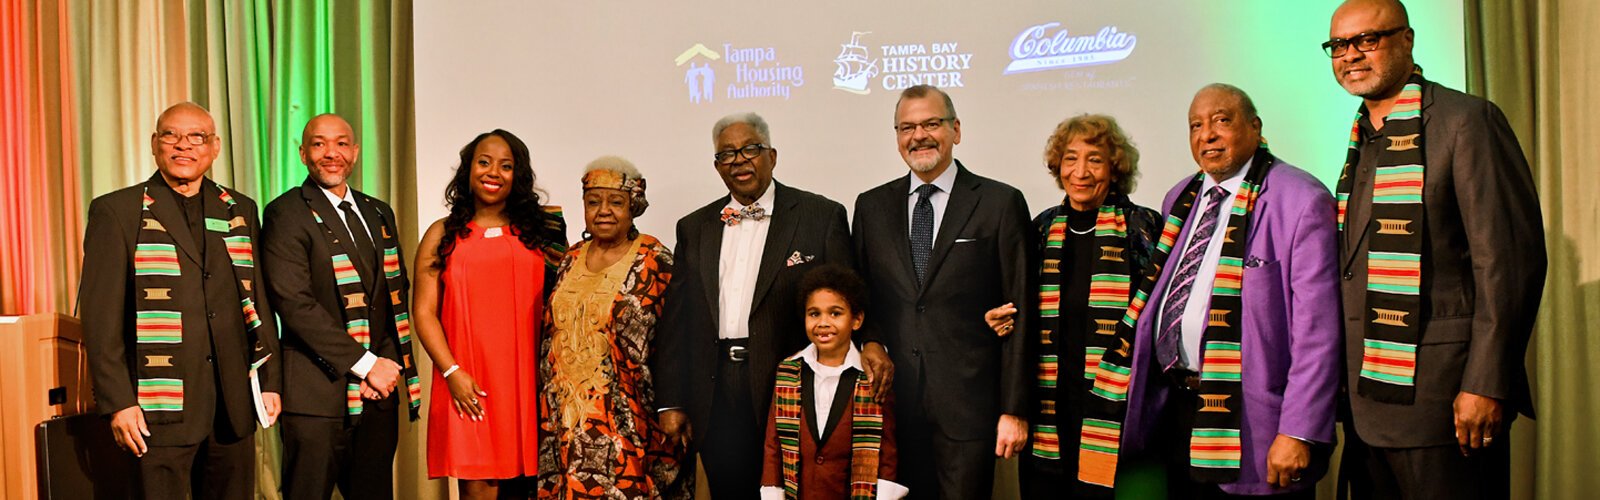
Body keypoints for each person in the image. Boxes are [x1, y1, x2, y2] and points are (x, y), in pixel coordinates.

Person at [1324, 1, 1546, 498]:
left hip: (1447, 404)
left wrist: (1487, 383)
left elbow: (1509, 265)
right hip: (1366, 405)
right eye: (1339, 45)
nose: (1350, 55)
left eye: (1367, 40)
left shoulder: (1466, 122)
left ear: (1407, 39)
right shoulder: (1363, 137)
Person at [1103, 84, 1342, 498]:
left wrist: (1299, 432)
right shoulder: (1180, 197)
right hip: (1179, 411)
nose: (1206, 134)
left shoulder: (1302, 199)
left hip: (1256, 423)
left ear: (1255, 127)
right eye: (1196, 125)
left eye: (1221, 120)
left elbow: (1318, 334)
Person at [654, 112, 892, 499]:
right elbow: (677, 321)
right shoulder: (694, 227)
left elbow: (852, 293)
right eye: (727, 154)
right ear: (717, 167)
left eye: (750, 149)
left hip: (792, 386)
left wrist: (874, 342)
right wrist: (671, 399)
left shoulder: (820, 215)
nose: (739, 160)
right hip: (715, 391)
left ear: (773, 156)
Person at [78, 101, 281, 498]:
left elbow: (256, 300)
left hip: (231, 405)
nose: (183, 146)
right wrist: (119, 402)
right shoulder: (117, 210)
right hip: (157, 407)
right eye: (171, 135)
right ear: (155, 144)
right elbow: (100, 319)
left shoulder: (240, 208)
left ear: (214, 147)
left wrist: (270, 380)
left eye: (196, 137)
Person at [851, 85, 1033, 499]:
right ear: (897, 137)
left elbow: (1023, 310)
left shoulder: (999, 203)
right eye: (907, 127)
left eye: (931, 123)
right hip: (892, 406)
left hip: (969, 408)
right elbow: (862, 300)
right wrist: (873, 340)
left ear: (956, 130)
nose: (919, 136)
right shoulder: (870, 208)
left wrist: (1014, 409)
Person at [980, 114, 1162, 497]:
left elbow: (1160, 319)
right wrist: (999, 317)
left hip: (1118, 413)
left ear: (1114, 170)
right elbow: (1018, 303)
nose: (1081, 171)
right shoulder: (1042, 228)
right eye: (1070, 158)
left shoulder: (1142, 227)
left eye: (1094, 160)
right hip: (1050, 412)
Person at [262, 113, 421, 499]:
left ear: (355, 151)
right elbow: (295, 305)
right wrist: (365, 365)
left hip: (377, 395)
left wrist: (383, 364)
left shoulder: (379, 211)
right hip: (316, 397)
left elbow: (393, 296)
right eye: (319, 144)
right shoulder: (285, 213)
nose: (331, 153)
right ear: (302, 153)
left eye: (341, 143)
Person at [413, 129, 566, 499]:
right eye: (484, 162)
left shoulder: (544, 230)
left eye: (506, 165)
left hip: (531, 385)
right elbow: (423, 311)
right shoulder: (442, 233)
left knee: (532, 489)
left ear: (519, 175)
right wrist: (451, 372)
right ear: (468, 169)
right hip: (468, 384)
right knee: (479, 490)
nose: (493, 172)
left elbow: (561, 303)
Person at [537, 156, 689, 498]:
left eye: (616, 202)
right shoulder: (570, 258)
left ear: (633, 206)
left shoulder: (655, 258)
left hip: (630, 418)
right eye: (594, 202)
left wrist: (674, 404)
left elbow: (678, 339)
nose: (603, 210)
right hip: (562, 416)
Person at [759, 264, 907, 500]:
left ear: (856, 320)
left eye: (835, 313)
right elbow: (773, 445)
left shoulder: (873, 376)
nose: (823, 322)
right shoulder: (788, 371)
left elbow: (887, 451)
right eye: (814, 313)